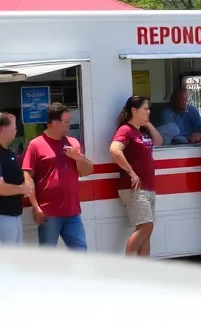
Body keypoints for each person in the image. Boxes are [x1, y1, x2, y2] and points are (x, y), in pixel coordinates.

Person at [24, 102, 94, 250]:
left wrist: (78, 157)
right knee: (48, 257)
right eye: (66, 122)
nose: (69, 125)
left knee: (81, 251)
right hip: (49, 213)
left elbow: (88, 171)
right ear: (54, 123)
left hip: (72, 211)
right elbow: (27, 176)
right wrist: (36, 206)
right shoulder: (36, 144)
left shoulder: (73, 142)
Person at [110, 96, 163, 258]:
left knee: (147, 230)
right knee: (146, 227)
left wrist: (146, 123)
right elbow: (114, 150)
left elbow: (159, 141)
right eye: (145, 108)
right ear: (134, 110)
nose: (149, 111)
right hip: (135, 188)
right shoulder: (125, 129)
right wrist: (131, 172)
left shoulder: (140, 131)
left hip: (148, 186)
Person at [0, 113, 34, 245]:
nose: (16, 130)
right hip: (3, 216)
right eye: (13, 127)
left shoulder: (9, 153)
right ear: (3, 129)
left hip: (14, 215)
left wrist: (26, 185)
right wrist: (22, 189)